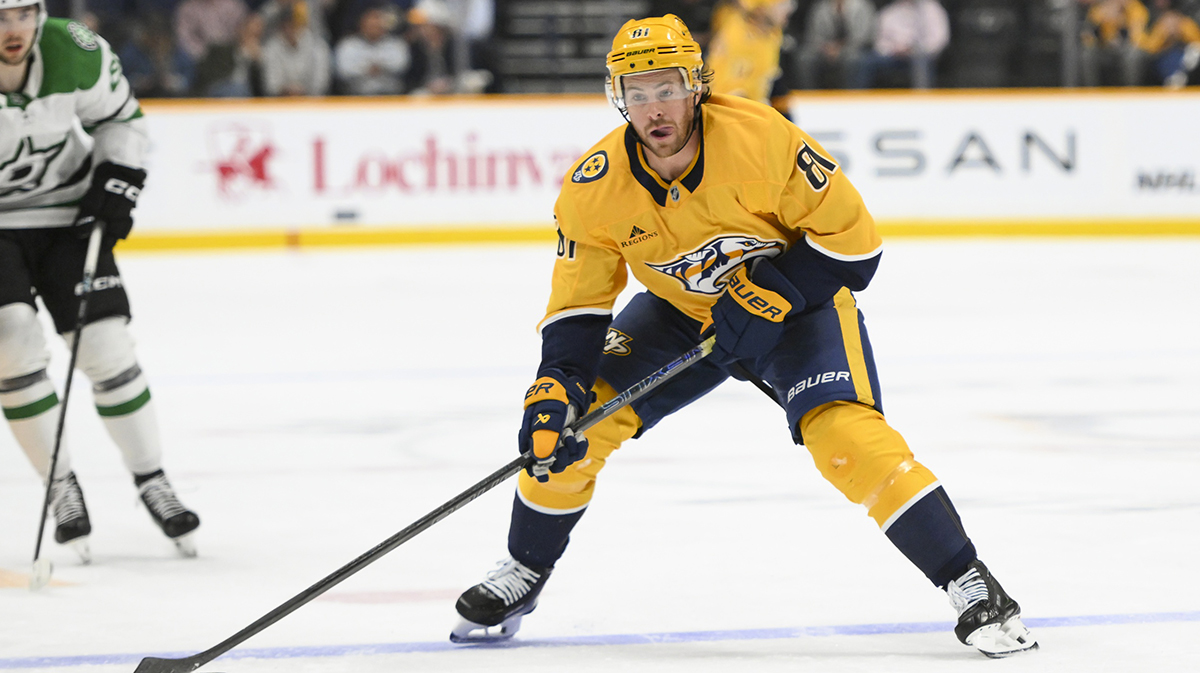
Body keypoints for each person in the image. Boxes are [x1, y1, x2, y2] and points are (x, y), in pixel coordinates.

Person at [448, 14, 1039, 659]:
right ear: (618, 97)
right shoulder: (593, 189)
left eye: (667, 87)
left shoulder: (762, 138)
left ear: (697, 85)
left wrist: (776, 293)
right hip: (681, 316)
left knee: (843, 436)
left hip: (797, 310)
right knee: (574, 426)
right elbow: (578, 308)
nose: (654, 109)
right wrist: (554, 385)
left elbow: (856, 249)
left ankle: (970, 581)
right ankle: (525, 570)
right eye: (637, 92)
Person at [0, 0, 200, 561]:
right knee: (10, 338)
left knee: (106, 344)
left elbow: (121, 119)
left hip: (68, 213)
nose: (13, 29)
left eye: (22, 14)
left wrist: (117, 178)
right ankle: (60, 485)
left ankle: (151, 478)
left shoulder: (73, 50)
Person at [706, 0, 796, 104]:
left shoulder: (772, 34)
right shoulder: (738, 36)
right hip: (730, 110)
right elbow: (731, 92)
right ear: (760, 9)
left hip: (755, 107)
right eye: (782, 4)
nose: (790, 8)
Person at [854, 0, 949, 89]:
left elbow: (939, 39)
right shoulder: (889, 12)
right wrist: (894, 49)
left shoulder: (931, 9)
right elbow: (880, 42)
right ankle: (858, 100)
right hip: (892, 55)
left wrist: (915, 50)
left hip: (919, 56)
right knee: (866, 61)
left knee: (921, 62)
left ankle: (923, 100)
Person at [797, 0, 876, 90]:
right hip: (824, 49)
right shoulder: (821, 7)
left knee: (853, 59)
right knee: (804, 58)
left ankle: (850, 96)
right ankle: (809, 96)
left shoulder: (862, 6)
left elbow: (864, 37)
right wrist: (827, 48)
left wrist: (840, 49)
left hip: (853, 49)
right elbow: (813, 35)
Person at [334, 4, 410, 95]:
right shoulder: (348, 45)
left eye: (377, 24)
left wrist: (382, 68)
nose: (374, 28)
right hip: (356, 96)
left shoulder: (396, 44)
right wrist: (366, 69)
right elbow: (344, 70)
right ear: (362, 24)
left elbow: (402, 64)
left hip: (390, 96)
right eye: (370, 25)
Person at [261, 0, 331, 95]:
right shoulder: (272, 47)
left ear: (301, 24)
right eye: (286, 25)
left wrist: (303, 90)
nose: (290, 29)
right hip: (280, 102)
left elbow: (321, 83)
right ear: (281, 26)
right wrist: (287, 89)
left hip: (312, 102)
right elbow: (271, 85)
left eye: (294, 24)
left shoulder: (317, 46)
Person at [1080, 0, 1150, 86]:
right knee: (1087, 54)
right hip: (1104, 49)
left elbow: (1137, 40)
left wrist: (1121, 21)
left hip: (1125, 49)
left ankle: (1130, 93)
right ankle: (1092, 93)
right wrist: (1102, 22)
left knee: (1133, 55)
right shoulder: (1100, 8)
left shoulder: (1135, 8)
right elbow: (1088, 37)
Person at [1140, 0, 1200, 86]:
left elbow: (1197, 42)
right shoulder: (1146, 13)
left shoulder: (1184, 15)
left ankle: (1180, 77)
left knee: (1193, 52)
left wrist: (1181, 27)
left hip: (1182, 56)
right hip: (1158, 58)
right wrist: (1162, 32)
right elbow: (1145, 48)